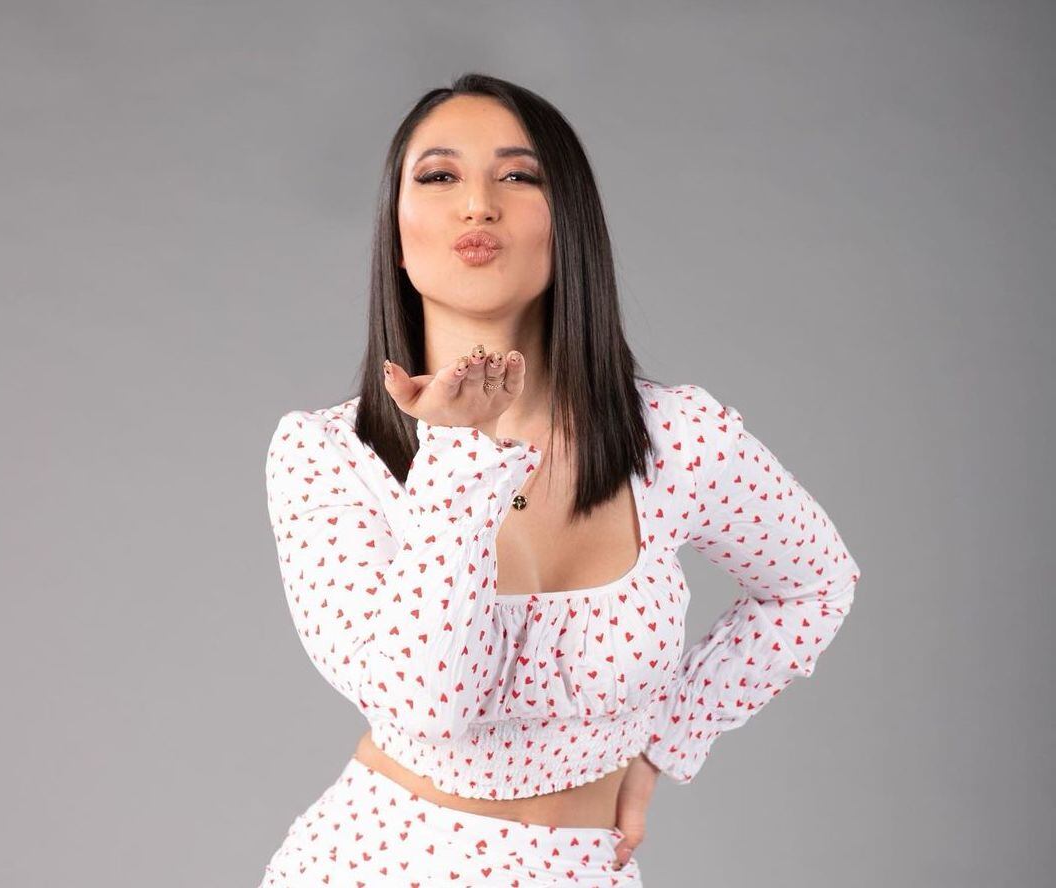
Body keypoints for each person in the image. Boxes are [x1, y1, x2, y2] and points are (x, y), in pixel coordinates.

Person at [258, 72, 862, 887]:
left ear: (567, 222)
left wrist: (666, 743)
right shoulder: (329, 456)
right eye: (438, 177)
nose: (478, 205)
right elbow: (431, 708)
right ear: (397, 236)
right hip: (378, 862)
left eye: (518, 175)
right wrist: (457, 451)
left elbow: (814, 584)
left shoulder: (672, 439)